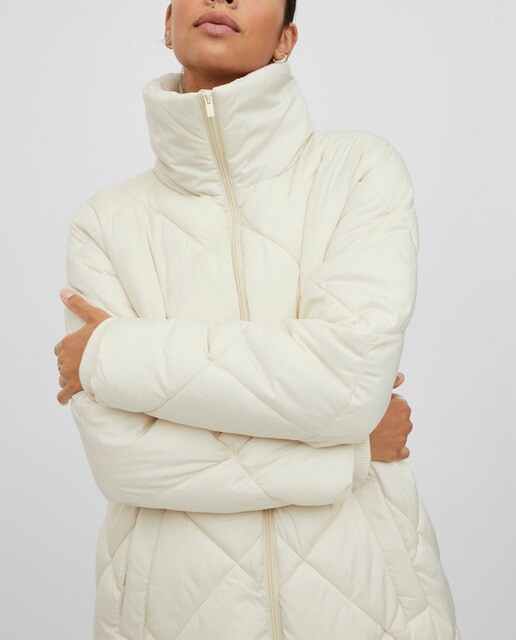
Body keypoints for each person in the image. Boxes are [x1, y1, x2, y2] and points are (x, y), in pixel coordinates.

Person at [53, 1, 462, 638]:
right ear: (167, 22)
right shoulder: (105, 223)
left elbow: (343, 383)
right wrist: (349, 453)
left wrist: (111, 355)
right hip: (171, 612)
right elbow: (123, 460)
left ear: (286, 38)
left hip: (364, 601)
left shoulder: (358, 171)